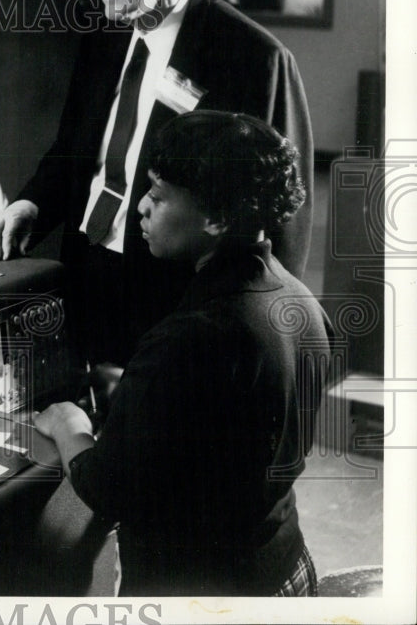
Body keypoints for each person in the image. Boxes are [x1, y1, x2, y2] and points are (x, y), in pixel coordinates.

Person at [0, 0, 313, 370]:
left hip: (181, 308)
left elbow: (281, 225)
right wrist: (33, 202)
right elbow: (74, 149)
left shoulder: (256, 58)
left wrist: (257, 335)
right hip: (87, 276)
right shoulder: (106, 29)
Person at [34, 111, 331, 596]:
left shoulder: (191, 337)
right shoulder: (301, 302)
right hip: (285, 568)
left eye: (157, 194)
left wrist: (70, 426)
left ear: (216, 217)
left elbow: (104, 489)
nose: (141, 209)